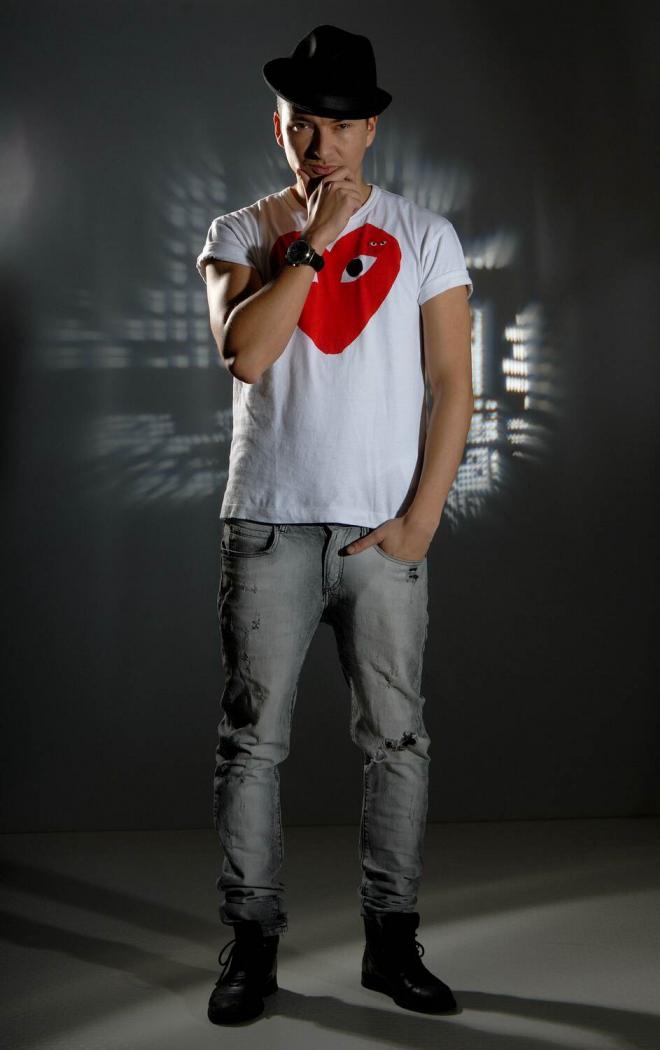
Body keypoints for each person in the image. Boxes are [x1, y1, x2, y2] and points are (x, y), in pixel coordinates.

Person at [196, 23, 474, 1025]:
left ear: (371, 131)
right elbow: (247, 354)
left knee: (397, 740)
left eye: (341, 128)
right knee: (252, 746)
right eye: (303, 125)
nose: (321, 147)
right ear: (278, 125)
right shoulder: (240, 232)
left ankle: (391, 944)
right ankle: (251, 947)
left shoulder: (427, 235)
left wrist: (419, 521)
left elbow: (452, 386)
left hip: (379, 535)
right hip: (268, 526)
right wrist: (312, 242)